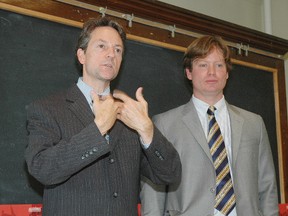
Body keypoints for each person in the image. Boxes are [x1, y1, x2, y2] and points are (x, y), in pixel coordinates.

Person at [25, 17, 181, 216]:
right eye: (101, 46)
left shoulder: (129, 112)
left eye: (118, 50)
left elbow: (170, 174)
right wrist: (97, 129)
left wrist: (147, 130)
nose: (111, 55)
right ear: (81, 55)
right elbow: (41, 168)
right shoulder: (47, 109)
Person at [140, 35, 279, 216]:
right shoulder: (164, 124)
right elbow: (154, 191)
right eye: (203, 65)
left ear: (227, 73)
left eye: (219, 65)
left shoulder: (254, 124)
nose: (212, 72)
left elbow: (267, 186)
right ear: (189, 72)